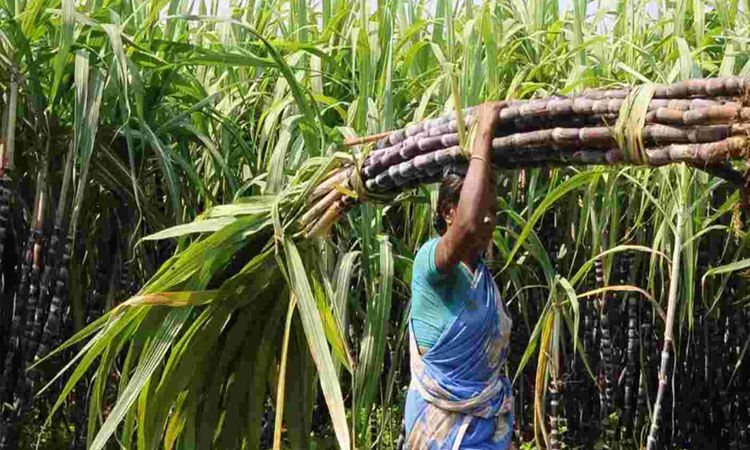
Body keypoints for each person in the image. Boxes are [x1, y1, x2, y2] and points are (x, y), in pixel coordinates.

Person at [404, 102, 517, 450]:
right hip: (441, 430)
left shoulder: (482, 280)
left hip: (484, 431)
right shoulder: (429, 263)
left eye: (493, 211)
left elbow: (490, 375)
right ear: (447, 211)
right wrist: (484, 131)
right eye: (481, 209)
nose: (488, 220)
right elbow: (468, 227)